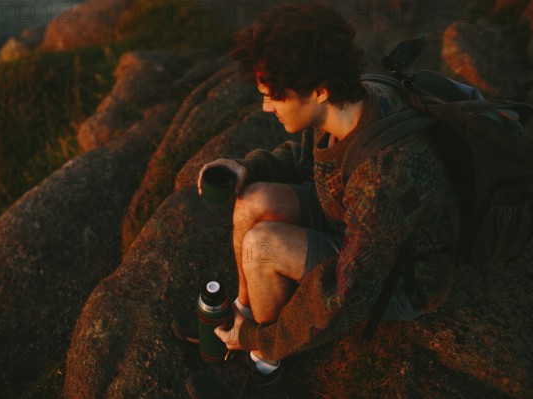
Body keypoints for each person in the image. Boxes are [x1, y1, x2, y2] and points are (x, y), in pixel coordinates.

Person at [173, 2, 461, 398]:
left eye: (274, 95)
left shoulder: (387, 175)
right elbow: (310, 160)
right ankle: (241, 314)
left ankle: (263, 363)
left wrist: (265, 337)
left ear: (319, 91)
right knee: (251, 199)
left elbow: (347, 294)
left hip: (396, 277)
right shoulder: (354, 102)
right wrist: (247, 169)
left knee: (263, 245)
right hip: (348, 219)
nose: (266, 106)